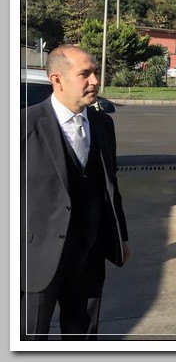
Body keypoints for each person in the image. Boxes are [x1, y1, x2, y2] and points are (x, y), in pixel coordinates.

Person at [20, 45, 130, 340]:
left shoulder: (103, 124)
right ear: (57, 80)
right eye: (85, 74)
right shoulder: (22, 126)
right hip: (35, 259)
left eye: (95, 73)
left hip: (89, 256)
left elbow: (110, 185)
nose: (95, 81)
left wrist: (121, 236)